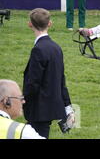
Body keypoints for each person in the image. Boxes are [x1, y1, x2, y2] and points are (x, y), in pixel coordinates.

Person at [24, 8, 74, 138]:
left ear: (30, 24)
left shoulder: (38, 50)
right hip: (51, 104)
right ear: (49, 24)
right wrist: (67, 104)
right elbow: (61, 78)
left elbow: (33, 82)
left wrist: (24, 100)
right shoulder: (56, 48)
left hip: (39, 107)